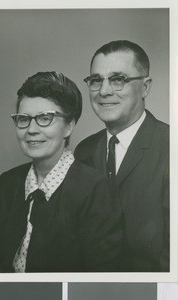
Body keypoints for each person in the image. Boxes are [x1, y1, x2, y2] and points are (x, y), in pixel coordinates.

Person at [0, 71, 122, 273]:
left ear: (68, 126)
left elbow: (101, 279)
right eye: (23, 119)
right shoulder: (9, 182)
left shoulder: (94, 189)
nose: (31, 129)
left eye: (44, 118)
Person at [75, 40, 169, 272]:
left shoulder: (170, 146)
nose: (104, 91)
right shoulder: (84, 150)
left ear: (145, 87)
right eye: (96, 80)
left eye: (118, 79)